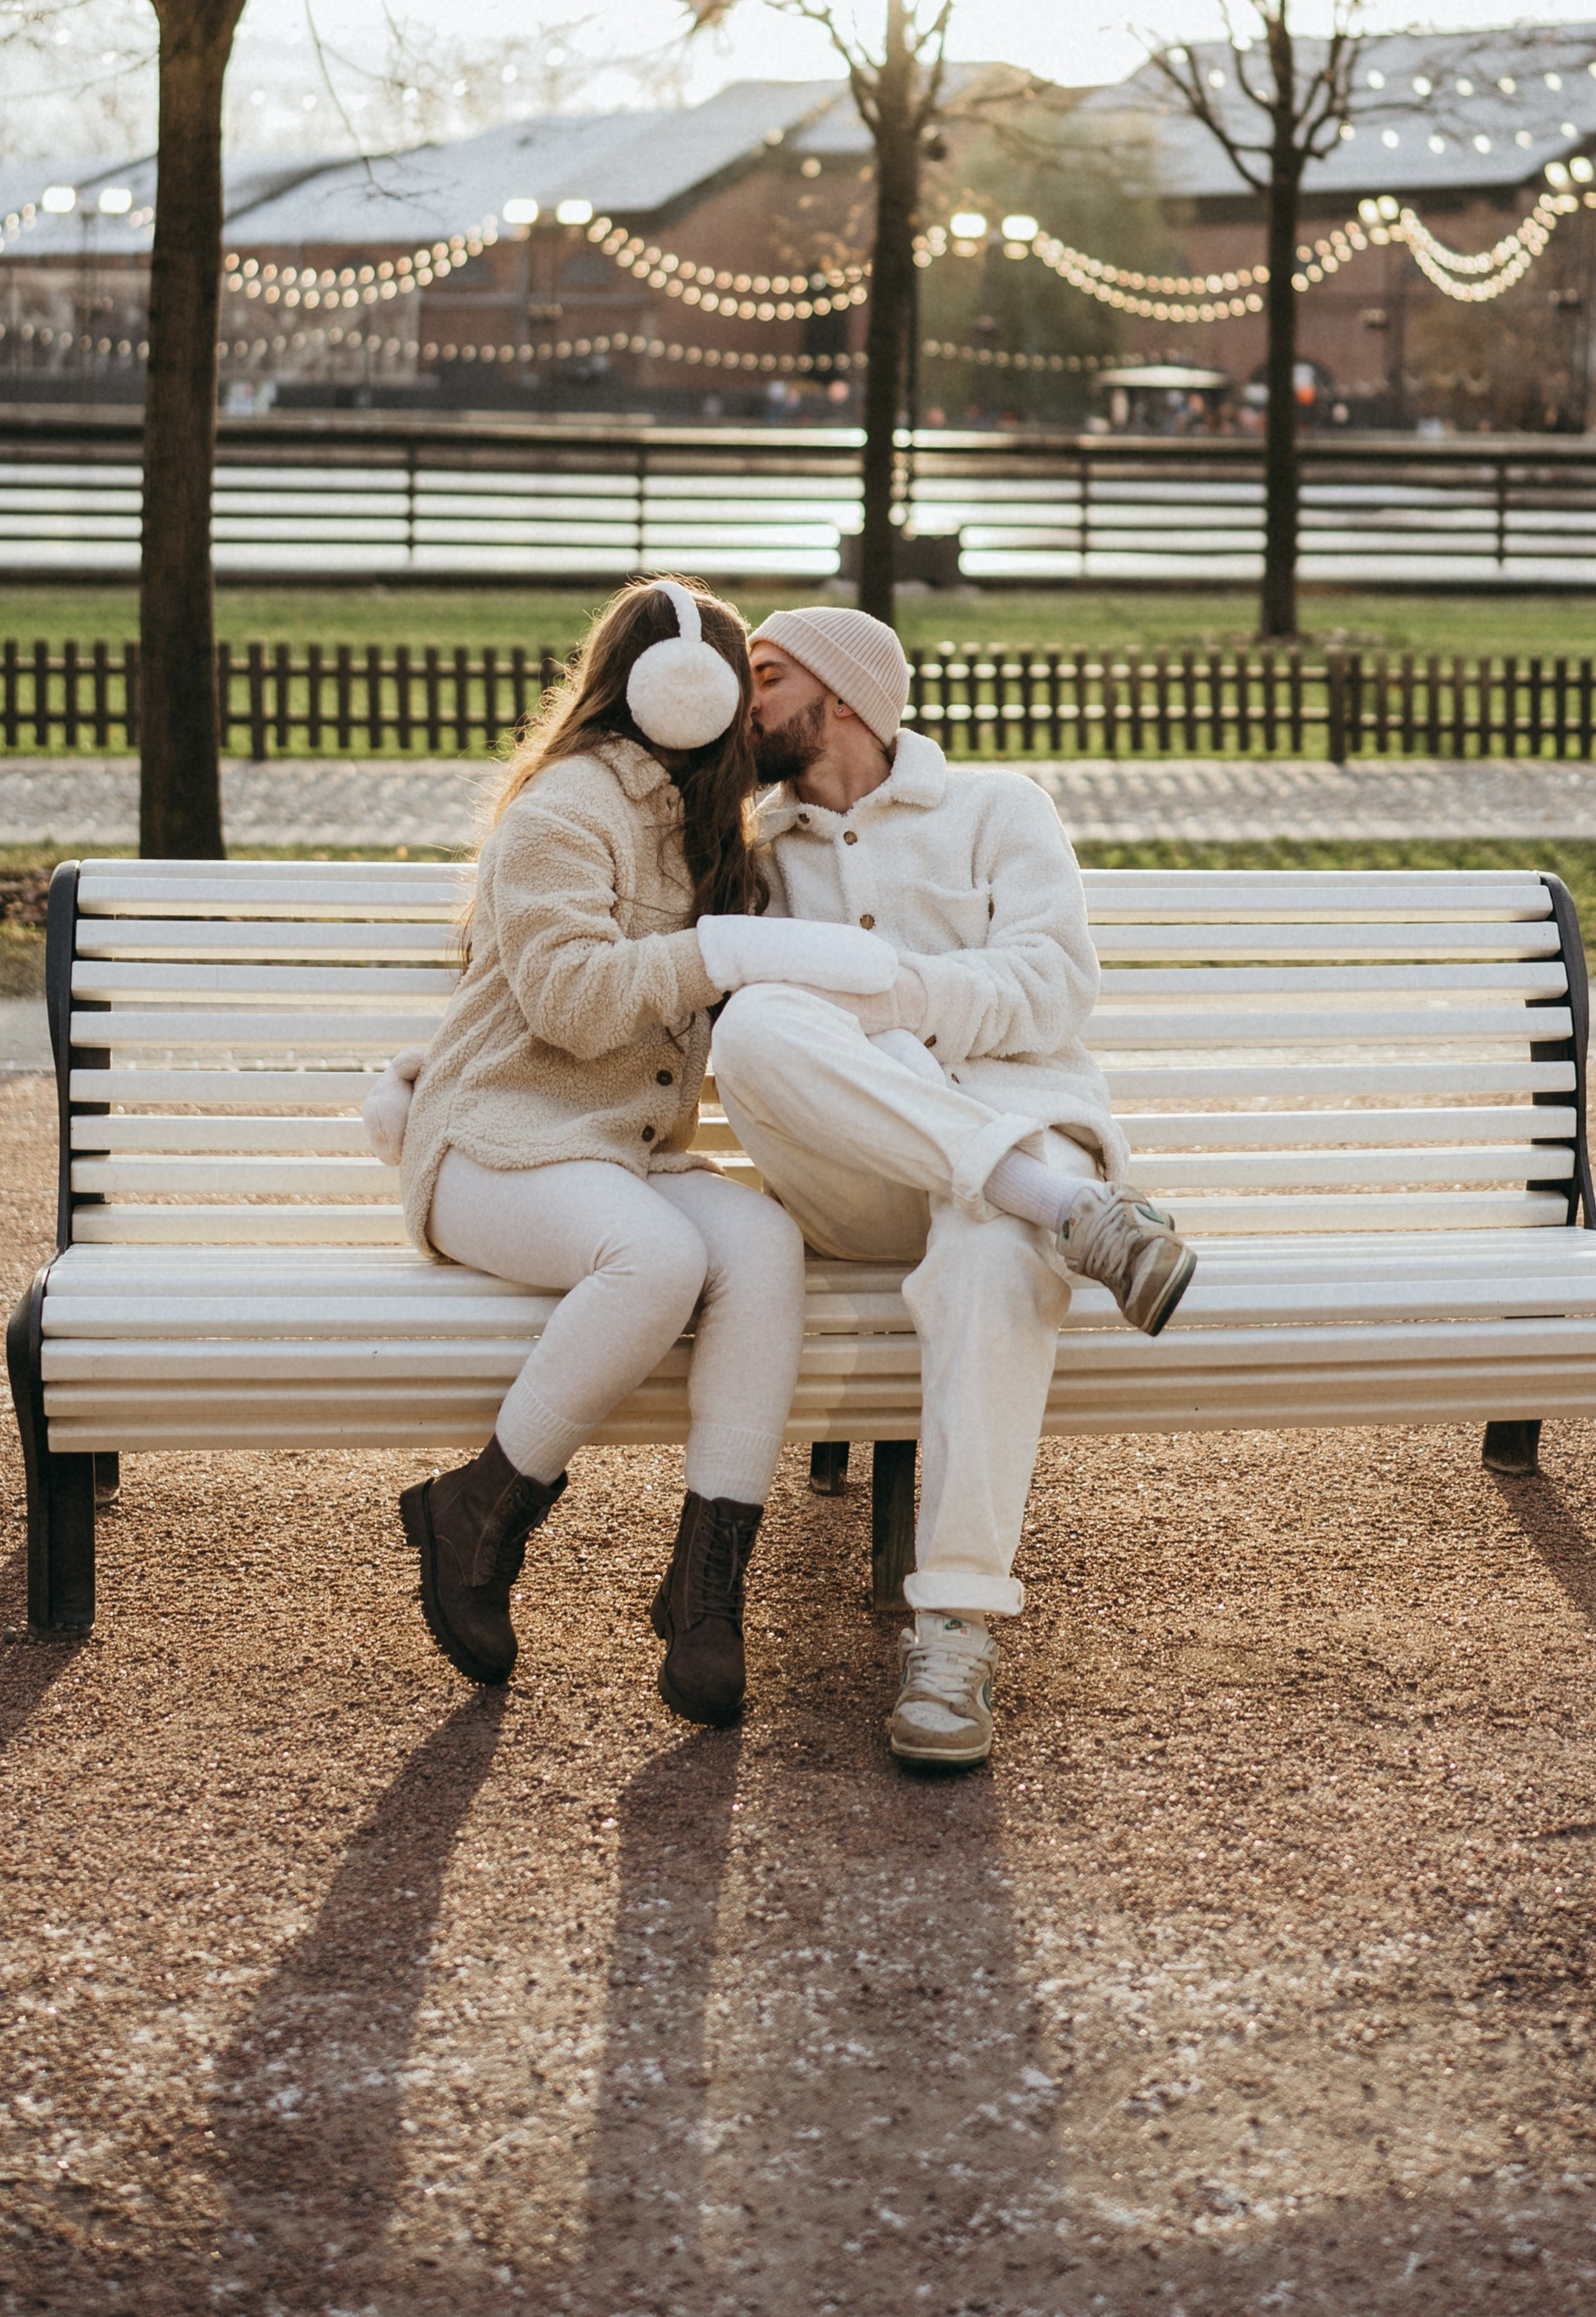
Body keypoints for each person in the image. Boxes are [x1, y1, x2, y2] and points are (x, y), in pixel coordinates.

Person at [363, 577, 896, 1726]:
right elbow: (570, 1003)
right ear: (645, 687)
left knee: (758, 1245)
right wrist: (721, 953)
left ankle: (705, 1596)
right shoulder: (564, 808)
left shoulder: (709, 825)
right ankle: (476, 1513)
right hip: (487, 1147)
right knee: (654, 1260)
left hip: (613, 1155)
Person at [706, 607, 1196, 1778]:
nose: (745, 703)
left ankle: (955, 1633)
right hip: (868, 1178)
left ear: (846, 696)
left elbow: (1053, 986)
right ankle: (1069, 1212)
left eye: (765, 678)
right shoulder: (755, 855)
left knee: (993, 1249)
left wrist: (891, 996)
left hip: (1028, 1125)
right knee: (763, 1019)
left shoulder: (998, 810)